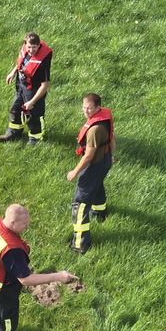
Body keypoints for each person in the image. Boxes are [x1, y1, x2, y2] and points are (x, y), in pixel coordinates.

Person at [66, 93, 113, 254]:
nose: (85, 111)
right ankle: (100, 213)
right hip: (105, 160)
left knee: (79, 204)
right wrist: (111, 155)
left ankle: (80, 244)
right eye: (84, 107)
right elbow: (111, 138)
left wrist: (75, 172)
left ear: (98, 108)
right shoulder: (104, 118)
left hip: (94, 165)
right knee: (97, 185)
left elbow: (88, 156)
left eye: (89, 108)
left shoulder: (94, 130)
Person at [0, 32, 52, 146]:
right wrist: (13, 72)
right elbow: (22, 64)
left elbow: (45, 85)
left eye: (34, 47)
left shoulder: (42, 63)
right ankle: (13, 133)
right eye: (29, 47)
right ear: (25, 45)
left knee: (34, 116)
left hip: (33, 91)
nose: (31, 50)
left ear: (38, 45)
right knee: (15, 110)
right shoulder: (26, 51)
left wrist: (32, 102)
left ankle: (35, 139)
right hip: (21, 87)